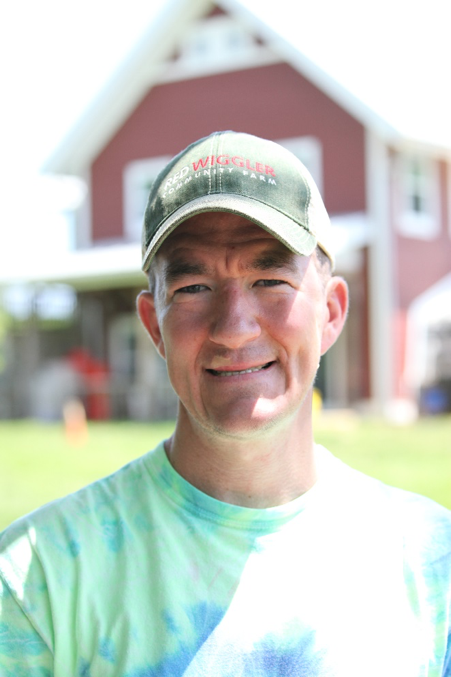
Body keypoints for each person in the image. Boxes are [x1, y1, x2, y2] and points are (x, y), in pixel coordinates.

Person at [0, 131, 450, 676]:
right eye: (193, 288)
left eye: (270, 279)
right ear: (153, 324)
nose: (234, 328)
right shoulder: (35, 580)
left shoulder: (432, 567)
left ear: (330, 313)